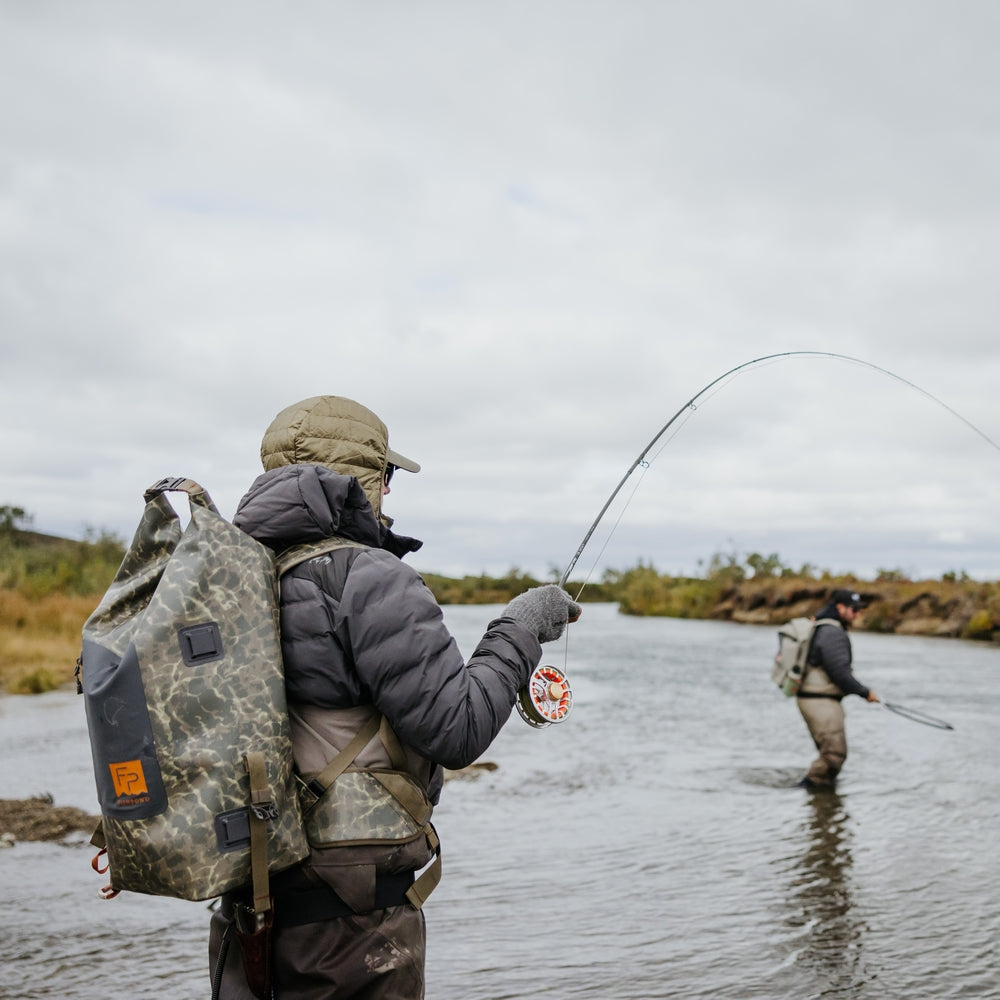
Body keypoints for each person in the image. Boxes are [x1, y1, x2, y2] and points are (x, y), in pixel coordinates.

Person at [208, 394, 581, 1000]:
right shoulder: (367, 576)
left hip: (245, 914)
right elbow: (457, 730)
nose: (388, 490)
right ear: (362, 478)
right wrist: (521, 625)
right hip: (351, 928)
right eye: (385, 474)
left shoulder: (223, 578)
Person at [797, 588, 879, 789]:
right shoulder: (832, 632)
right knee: (834, 754)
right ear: (840, 607)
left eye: (859, 610)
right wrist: (865, 692)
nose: (857, 614)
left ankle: (824, 799)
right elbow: (840, 673)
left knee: (831, 755)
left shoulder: (825, 627)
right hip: (819, 700)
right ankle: (808, 792)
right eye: (854, 609)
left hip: (817, 699)